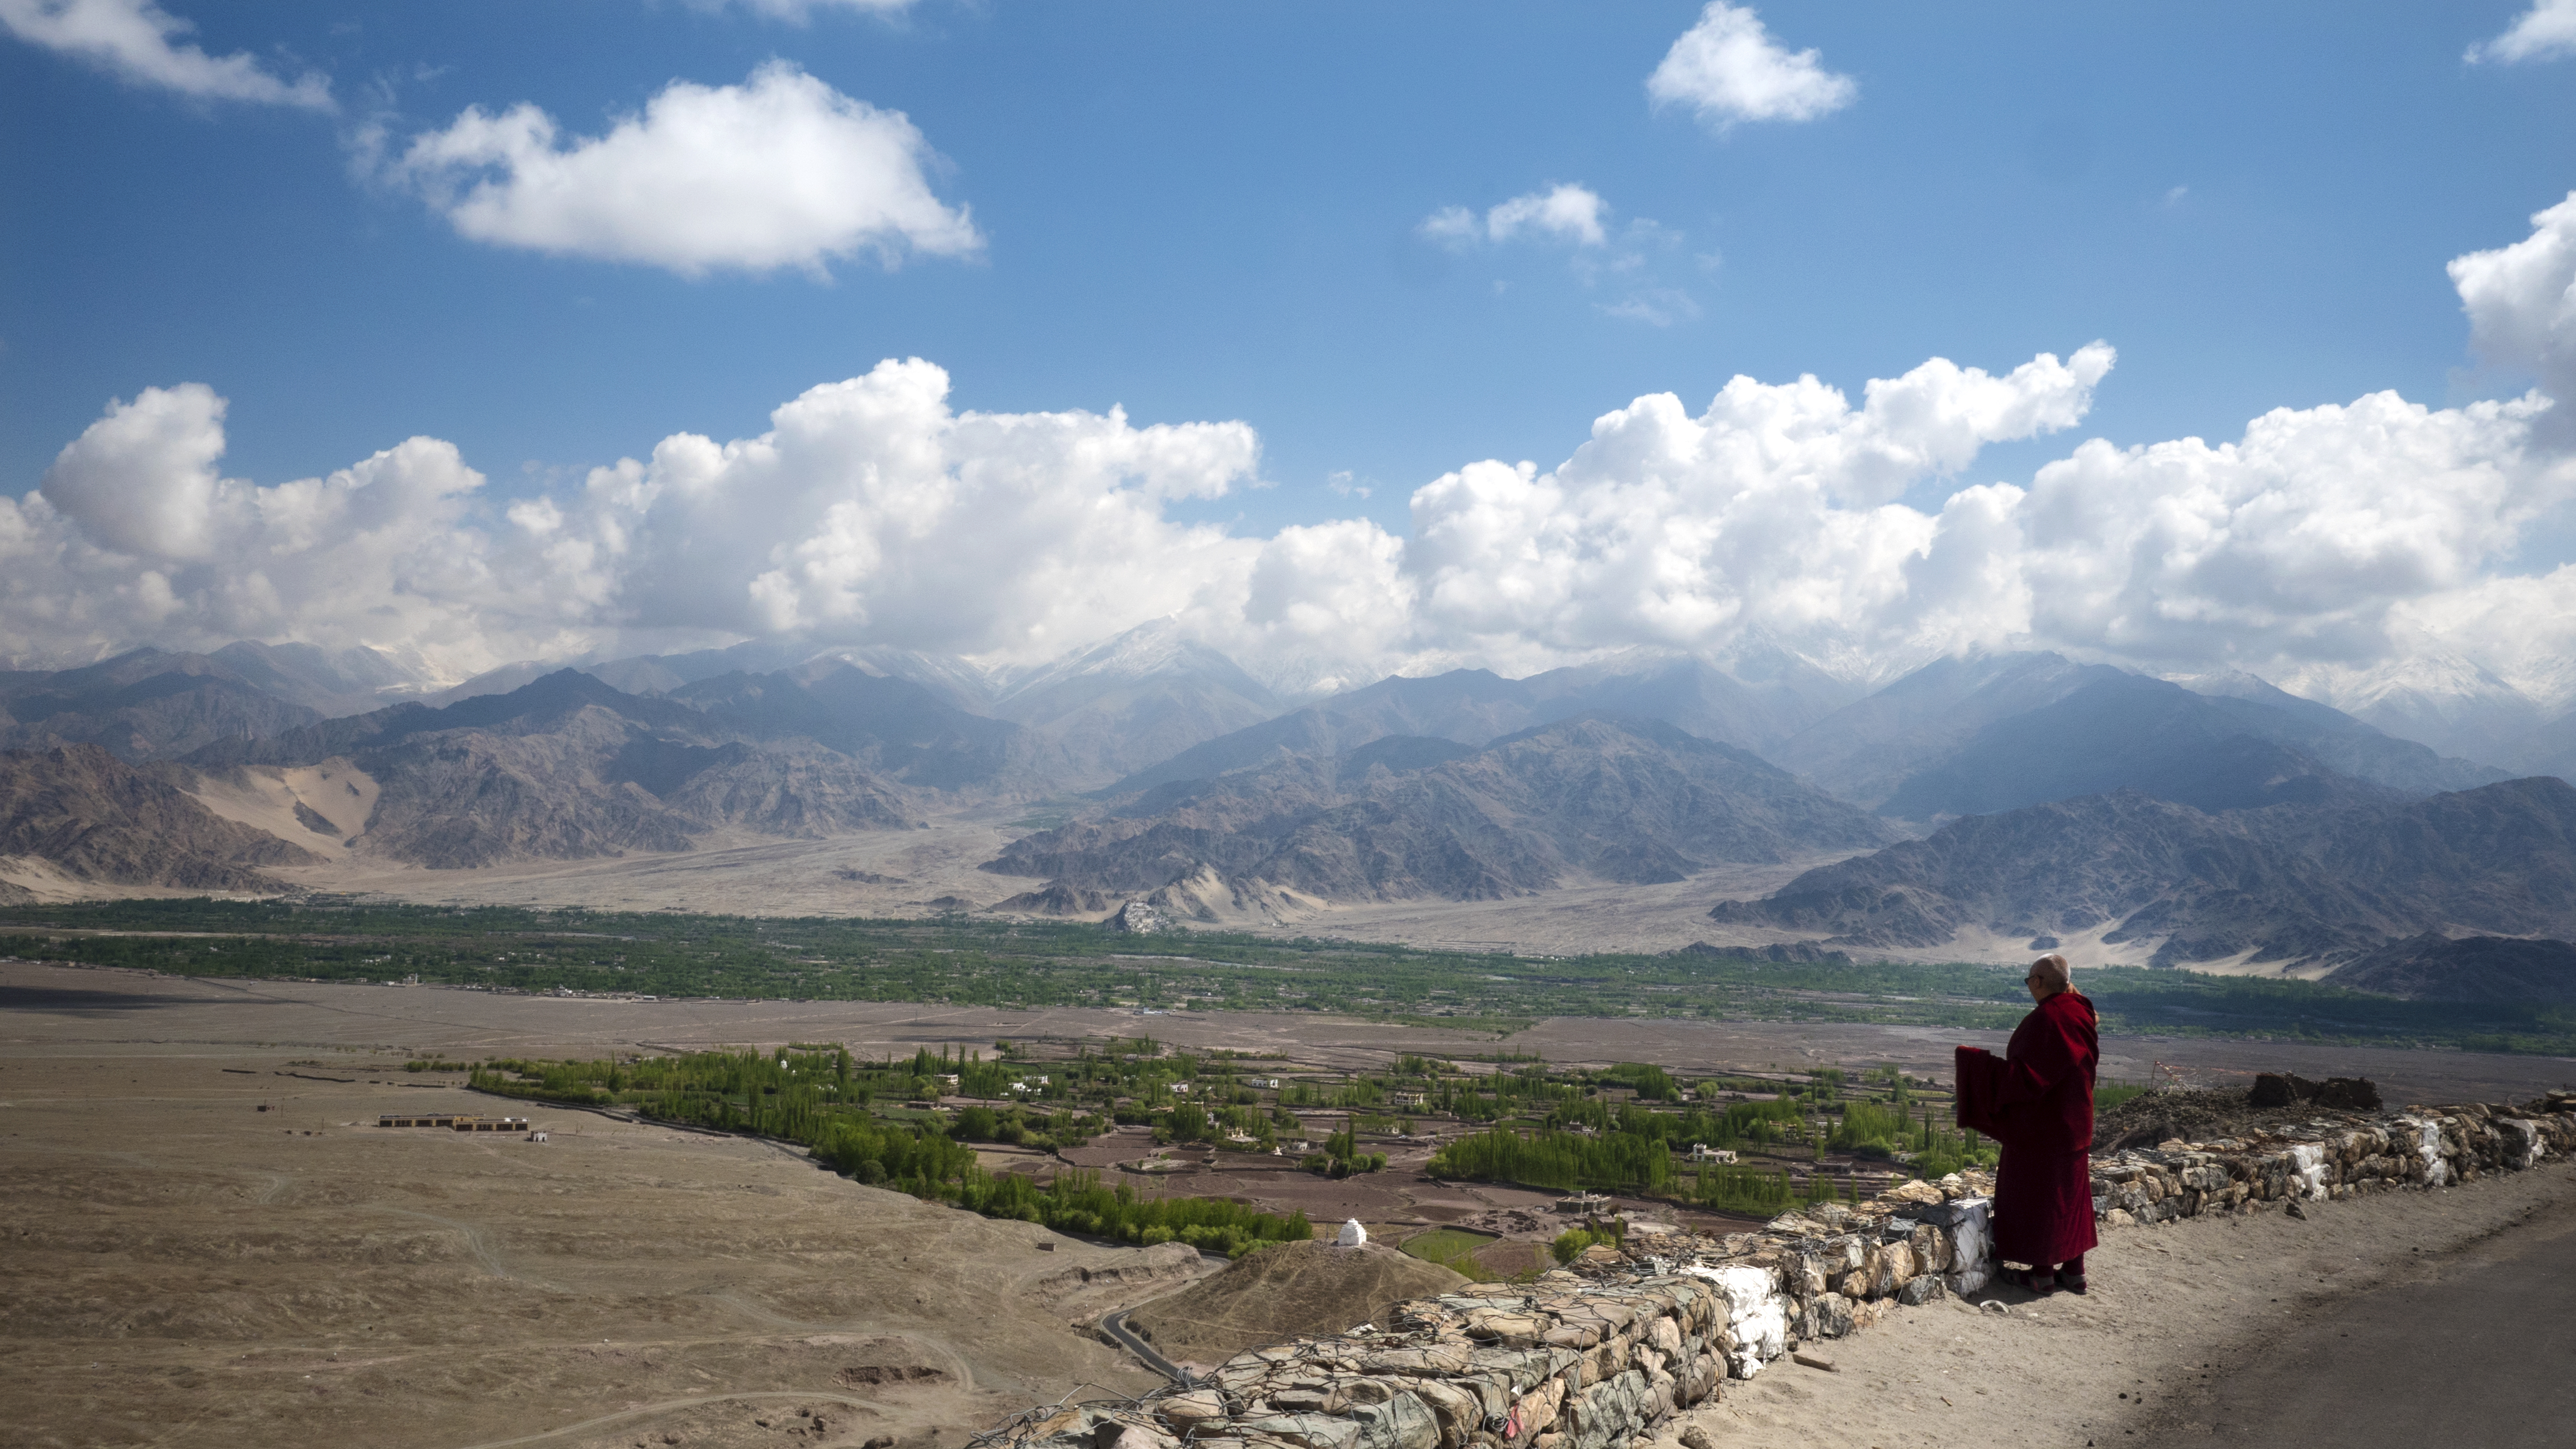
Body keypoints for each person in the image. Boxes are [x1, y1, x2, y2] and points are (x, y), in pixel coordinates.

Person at [1958, 952, 2099, 1294]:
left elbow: (2025, 1079)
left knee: (2041, 1200)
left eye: (2028, 980)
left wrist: (1974, 1065)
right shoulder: (2081, 1011)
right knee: (2071, 1199)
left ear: (2038, 983)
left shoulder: (2046, 1021)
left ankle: (2042, 1274)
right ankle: (2075, 1272)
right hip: (2077, 1125)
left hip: (2044, 1130)